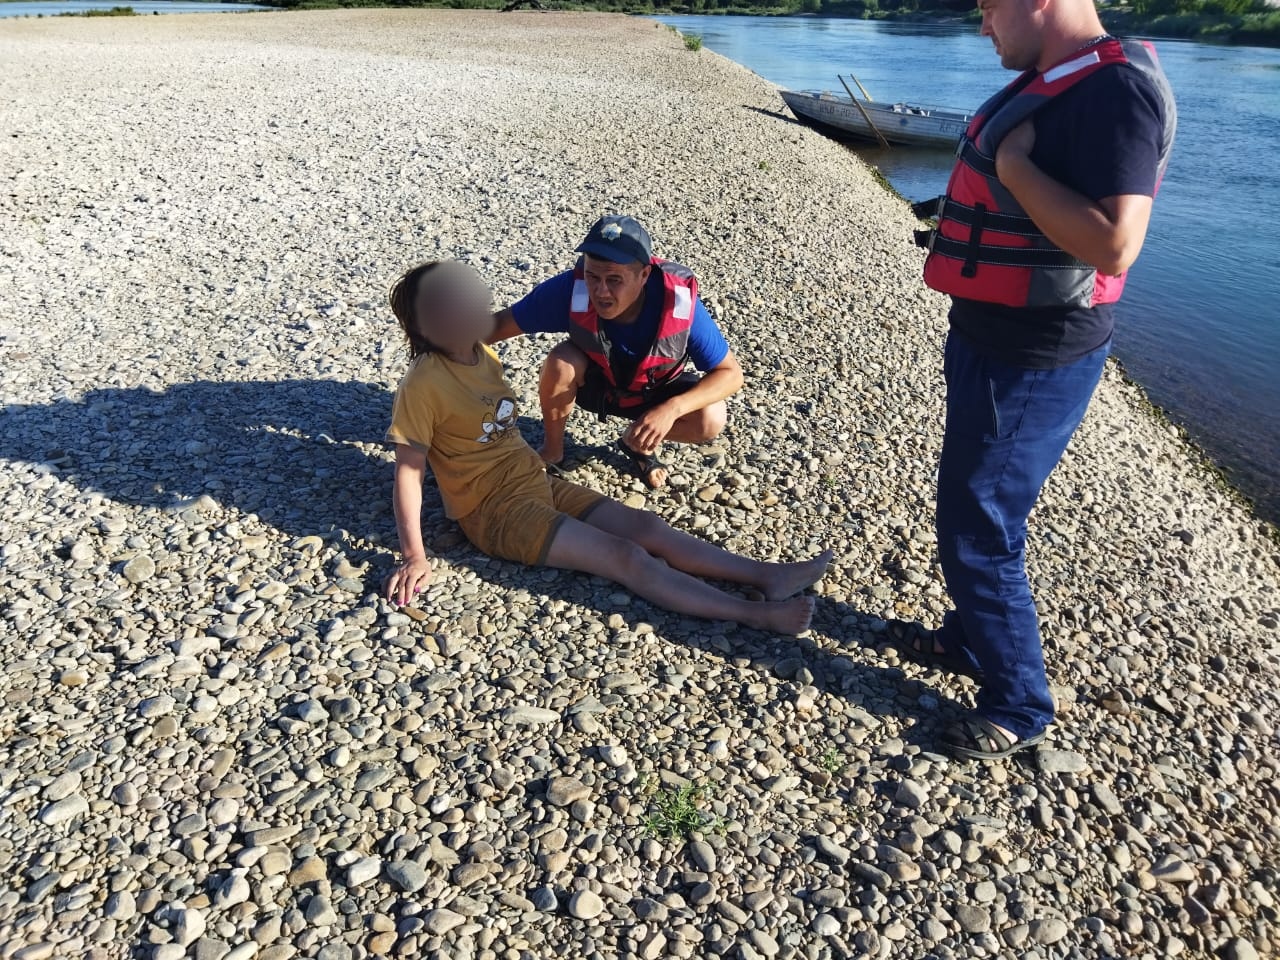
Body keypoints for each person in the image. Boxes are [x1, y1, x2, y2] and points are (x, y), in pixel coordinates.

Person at [901, 0, 1176, 759]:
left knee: (979, 523)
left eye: (989, 7)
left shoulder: (1113, 91)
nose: (983, 24)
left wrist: (1015, 169)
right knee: (971, 504)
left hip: (1036, 351)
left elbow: (1116, 245)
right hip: (991, 333)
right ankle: (969, 640)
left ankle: (1020, 705)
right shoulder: (1057, 78)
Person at [383, 259, 830, 635]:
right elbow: (409, 472)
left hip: (529, 479)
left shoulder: (481, 352)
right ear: (421, 326)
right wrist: (414, 556)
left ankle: (767, 576)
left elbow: (729, 373)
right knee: (626, 556)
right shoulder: (424, 383)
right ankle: (755, 614)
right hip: (495, 511)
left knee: (647, 526)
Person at [488, 215, 744, 489]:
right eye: (592, 276)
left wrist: (672, 409)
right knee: (561, 361)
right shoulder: (569, 290)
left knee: (711, 418)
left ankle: (638, 443)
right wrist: (441, 354)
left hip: (653, 395)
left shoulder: (679, 305)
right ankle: (552, 450)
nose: (601, 291)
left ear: (644, 275)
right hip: (598, 389)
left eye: (614, 279)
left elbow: (731, 374)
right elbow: (494, 328)